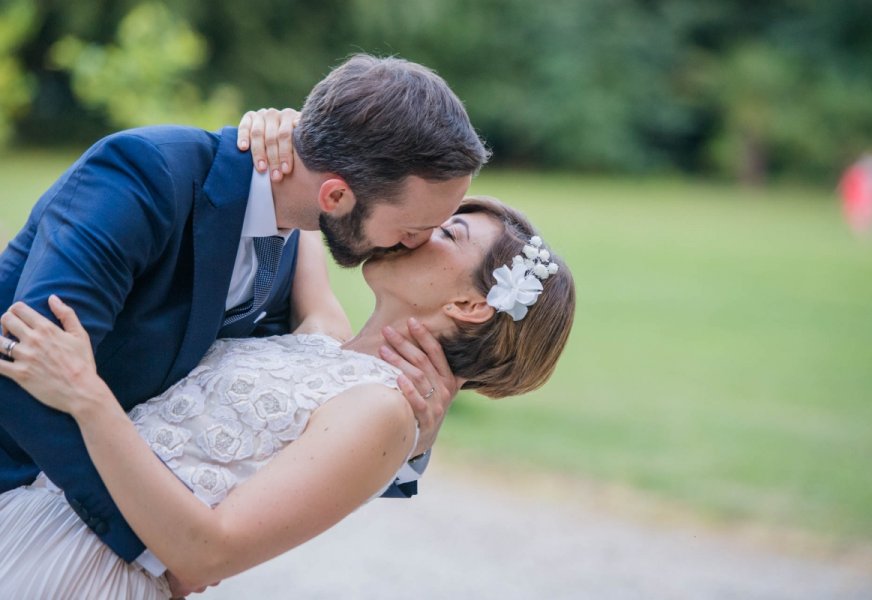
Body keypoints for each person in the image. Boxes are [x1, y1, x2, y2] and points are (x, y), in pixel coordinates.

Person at [0, 53, 489, 587]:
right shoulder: (144, 176)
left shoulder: (292, 235)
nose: (416, 244)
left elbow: (292, 413)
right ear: (337, 195)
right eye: (417, 226)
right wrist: (163, 550)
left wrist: (413, 441)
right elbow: (23, 367)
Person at [0, 196, 576, 597]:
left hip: (77, 571)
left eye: (448, 232)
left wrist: (84, 393)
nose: (421, 229)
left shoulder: (383, 413)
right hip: (27, 517)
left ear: (472, 306)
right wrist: (280, 130)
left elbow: (207, 555)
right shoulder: (324, 340)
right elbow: (299, 207)